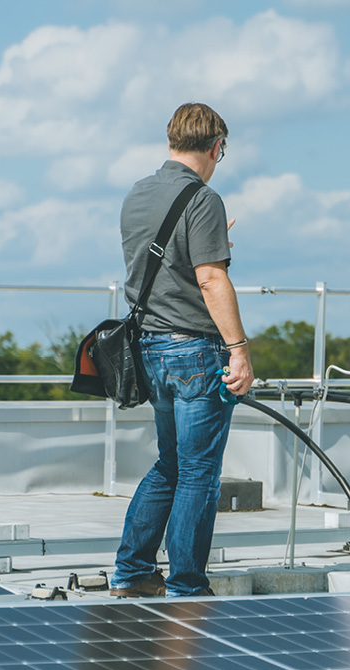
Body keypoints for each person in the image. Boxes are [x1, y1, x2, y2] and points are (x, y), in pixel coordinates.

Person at [109, 103, 254, 598]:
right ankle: (187, 585)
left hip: (149, 349)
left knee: (170, 462)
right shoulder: (203, 197)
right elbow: (211, 279)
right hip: (194, 350)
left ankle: (132, 573)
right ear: (217, 147)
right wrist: (239, 350)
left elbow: (161, 265)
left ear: (171, 141)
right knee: (198, 471)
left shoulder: (138, 193)